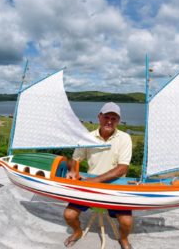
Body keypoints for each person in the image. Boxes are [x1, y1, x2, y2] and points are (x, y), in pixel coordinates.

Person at [63, 102, 133, 249]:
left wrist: (95, 181)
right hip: (91, 186)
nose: (109, 121)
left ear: (118, 121)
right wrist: (72, 170)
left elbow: (122, 168)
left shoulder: (125, 138)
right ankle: (77, 231)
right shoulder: (87, 137)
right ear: (99, 117)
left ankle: (124, 239)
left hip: (116, 185)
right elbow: (74, 160)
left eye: (114, 118)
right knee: (69, 215)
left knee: (126, 222)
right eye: (106, 116)